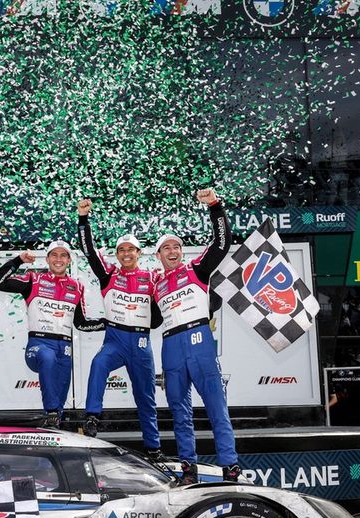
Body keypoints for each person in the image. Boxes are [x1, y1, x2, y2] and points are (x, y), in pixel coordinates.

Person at [153, 188, 239, 484]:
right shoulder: (155, 285)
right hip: (170, 346)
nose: (173, 251)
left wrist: (215, 205)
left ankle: (231, 467)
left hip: (199, 339)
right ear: (158, 255)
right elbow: (146, 318)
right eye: (166, 248)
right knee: (179, 411)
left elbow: (222, 243)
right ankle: (188, 469)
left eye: (177, 246)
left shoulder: (197, 270)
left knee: (216, 407)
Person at [77, 198, 162, 458]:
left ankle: (154, 447)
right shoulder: (109, 275)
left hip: (140, 343)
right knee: (98, 364)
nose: (126, 254)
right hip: (114, 340)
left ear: (139, 253)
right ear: (117, 254)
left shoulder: (152, 277)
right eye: (121, 250)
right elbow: (89, 250)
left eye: (131, 250)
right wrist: (83, 218)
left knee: (145, 397)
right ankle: (92, 416)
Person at [0, 241, 104, 428]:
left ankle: (53, 423)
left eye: (63, 255)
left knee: (60, 395)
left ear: (69, 260)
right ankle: (52, 411)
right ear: (47, 259)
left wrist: (106, 323)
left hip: (65, 347)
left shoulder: (77, 287)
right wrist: (19, 260)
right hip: (39, 344)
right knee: (47, 357)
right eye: (54, 255)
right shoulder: (34, 279)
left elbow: (81, 324)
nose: (58, 259)